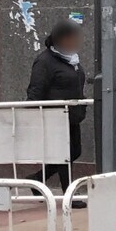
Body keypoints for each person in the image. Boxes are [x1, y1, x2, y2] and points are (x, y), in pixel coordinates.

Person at [27, 20, 87, 191]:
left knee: (74, 152)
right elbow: (35, 89)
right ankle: (69, 194)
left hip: (72, 116)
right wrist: (31, 114)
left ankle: (37, 179)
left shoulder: (71, 60)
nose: (73, 42)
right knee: (64, 155)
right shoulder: (45, 61)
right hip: (55, 116)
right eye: (69, 38)